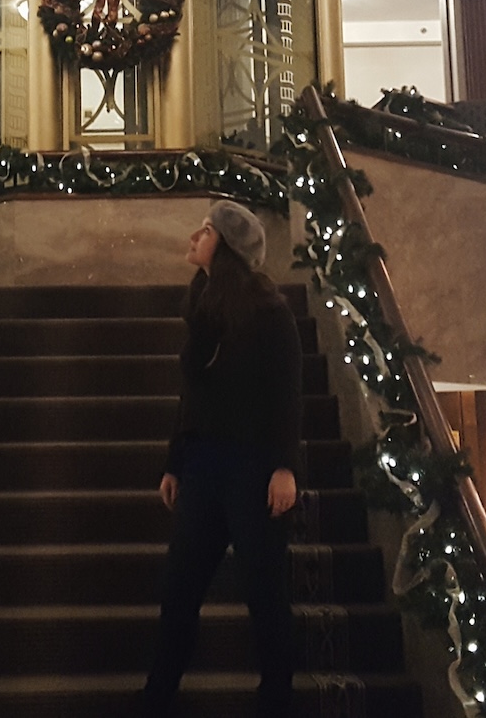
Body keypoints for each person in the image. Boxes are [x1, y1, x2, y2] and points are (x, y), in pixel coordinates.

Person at [140, 200, 302, 718]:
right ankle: (157, 696)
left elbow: (286, 393)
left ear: (227, 247)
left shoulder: (270, 312)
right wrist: (174, 460)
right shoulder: (202, 303)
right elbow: (194, 395)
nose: (193, 236)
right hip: (204, 464)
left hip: (253, 468)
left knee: (264, 592)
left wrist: (284, 467)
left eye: (206, 230)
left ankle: (277, 698)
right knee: (179, 589)